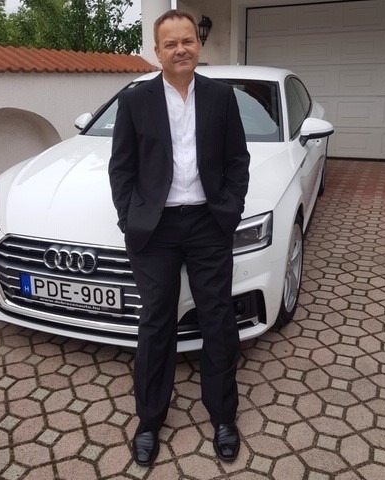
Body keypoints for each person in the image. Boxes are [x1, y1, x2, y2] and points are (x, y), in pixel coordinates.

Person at [108, 9, 250, 467]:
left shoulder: (222, 97)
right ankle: (149, 420)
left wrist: (230, 208)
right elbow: (122, 168)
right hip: (157, 229)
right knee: (156, 322)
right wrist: (129, 217)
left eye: (187, 40)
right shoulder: (136, 101)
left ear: (198, 45)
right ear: (157, 51)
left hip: (209, 223)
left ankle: (223, 416)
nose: (180, 49)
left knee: (217, 318)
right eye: (170, 43)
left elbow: (238, 160)